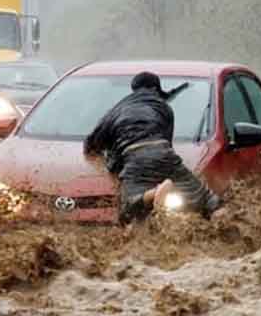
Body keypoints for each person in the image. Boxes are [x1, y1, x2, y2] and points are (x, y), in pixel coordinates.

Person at [83, 71, 221, 223]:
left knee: (127, 210)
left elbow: (90, 146)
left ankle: (153, 194)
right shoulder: (164, 108)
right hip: (164, 154)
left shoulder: (115, 111)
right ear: (156, 89)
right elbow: (167, 143)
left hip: (135, 158)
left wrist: (109, 166)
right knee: (207, 199)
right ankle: (225, 220)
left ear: (134, 89)